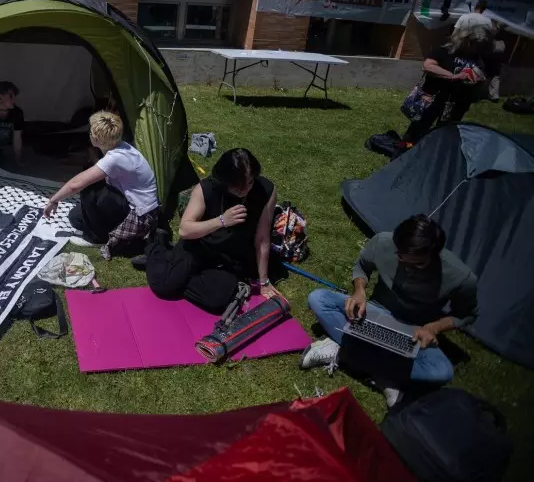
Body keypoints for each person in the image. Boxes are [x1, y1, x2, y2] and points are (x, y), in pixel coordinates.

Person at [300, 215, 479, 407]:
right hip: (374, 313)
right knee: (318, 299)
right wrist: (359, 291)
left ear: (435, 254)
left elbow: (466, 314)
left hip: (413, 332)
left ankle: (344, 353)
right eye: (401, 259)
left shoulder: (461, 277)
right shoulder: (383, 242)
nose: (408, 270)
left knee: (442, 371)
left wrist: (433, 328)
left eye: (418, 265)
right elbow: (362, 266)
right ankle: (387, 374)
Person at [145, 148, 279, 307]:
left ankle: (177, 272)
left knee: (219, 300)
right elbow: (184, 230)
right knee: (164, 286)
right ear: (226, 179)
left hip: (230, 257)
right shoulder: (207, 188)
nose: (244, 190)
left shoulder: (265, 190)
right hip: (199, 247)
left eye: (250, 183)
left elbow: (262, 238)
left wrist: (264, 282)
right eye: (238, 186)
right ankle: (156, 247)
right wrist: (222, 220)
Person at [44, 111, 158, 260]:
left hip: (140, 215)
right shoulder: (122, 147)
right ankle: (104, 228)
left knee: (89, 189)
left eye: (91, 132)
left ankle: (96, 238)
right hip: (132, 204)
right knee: (75, 217)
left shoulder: (114, 159)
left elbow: (76, 184)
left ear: (97, 139)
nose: (89, 134)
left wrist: (54, 200)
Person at [402, 21, 489, 144]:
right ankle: (405, 151)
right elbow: (428, 66)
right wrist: (454, 76)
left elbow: (481, 73)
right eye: (474, 44)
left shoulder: (477, 57)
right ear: (465, 40)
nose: (476, 48)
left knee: (444, 134)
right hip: (433, 98)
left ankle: (432, 154)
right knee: (418, 129)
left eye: (480, 45)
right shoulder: (445, 50)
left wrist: (479, 81)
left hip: (457, 103)